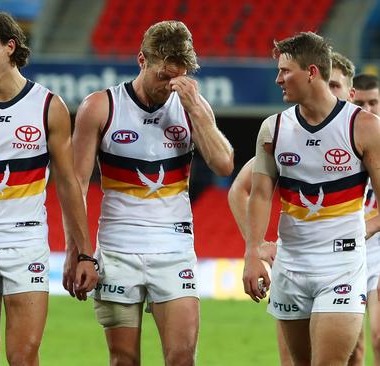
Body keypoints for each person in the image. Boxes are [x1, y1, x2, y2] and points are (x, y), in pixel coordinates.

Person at [69, 20, 233, 365]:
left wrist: (196, 110)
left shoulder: (190, 106)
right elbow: (75, 186)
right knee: (123, 360)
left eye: (179, 76)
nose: (170, 86)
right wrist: (80, 253)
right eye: (163, 76)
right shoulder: (101, 107)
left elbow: (223, 164)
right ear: (141, 60)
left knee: (182, 358)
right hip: (117, 251)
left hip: (174, 250)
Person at [0, 10, 98, 365]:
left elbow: (69, 184)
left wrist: (84, 252)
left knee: (24, 356)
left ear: (10, 47)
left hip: (26, 244)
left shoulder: (48, 107)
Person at [243, 32, 380, 365]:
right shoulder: (272, 129)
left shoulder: (363, 127)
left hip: (341, 266)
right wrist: (252, 252)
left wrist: (364, 228)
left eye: (285, 71)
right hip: (291, 265)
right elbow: (259, 193)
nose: (278, 79)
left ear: (312, 72)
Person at [353, 73, 380, 365]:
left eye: (374, 102)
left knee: (379, 337)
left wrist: (368, 227)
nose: (368, 109)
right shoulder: (338, 142)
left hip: (378, 248)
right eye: (361, 103)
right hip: (347, 250)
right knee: (352, 349)